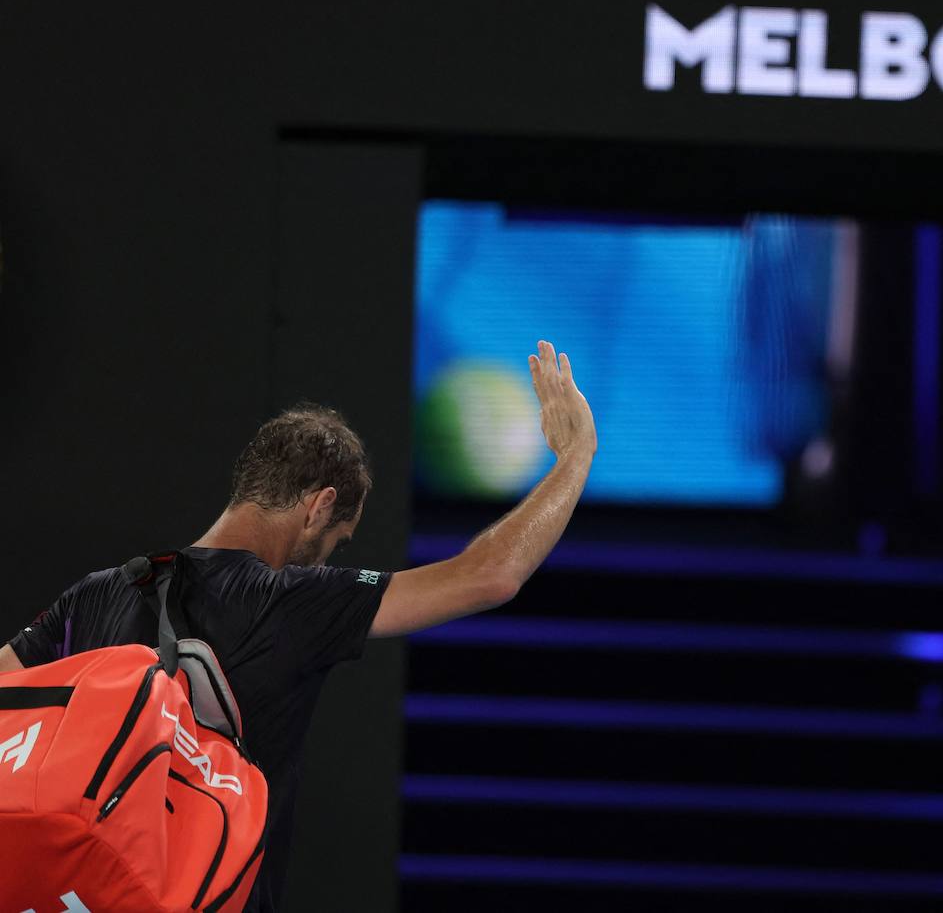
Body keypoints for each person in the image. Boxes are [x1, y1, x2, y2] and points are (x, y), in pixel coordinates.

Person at [0, 340, 596, 912]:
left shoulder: (98, 592)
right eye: (336, 542)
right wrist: (576, 456)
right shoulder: (291, 600)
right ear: (317, 506)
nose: (329, 560)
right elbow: (490, 575)